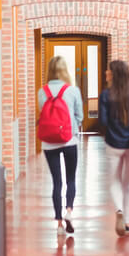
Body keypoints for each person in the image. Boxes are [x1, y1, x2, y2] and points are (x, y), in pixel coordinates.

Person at [38, 56, 83, 235]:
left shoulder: (43, 91)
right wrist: (73, 129)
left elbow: (44, 113)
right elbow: (80, 116)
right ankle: (69, 211)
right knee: (71, 179)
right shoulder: (72, 90)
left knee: (56, 182)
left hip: (49, 143)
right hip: (69, 140)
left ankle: (58, 224)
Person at [99, 60, 129, 237]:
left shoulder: (106, 95)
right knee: (128, 183)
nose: (105, 72)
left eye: (108, 70)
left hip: (113, 143)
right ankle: (127, 222)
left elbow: (102, 121)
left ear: (115, 74)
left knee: (115, 181)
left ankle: (119, 211)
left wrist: (112, 128)